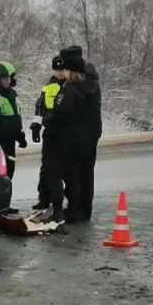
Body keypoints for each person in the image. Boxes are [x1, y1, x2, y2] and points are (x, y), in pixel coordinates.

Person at [41, 57, 91, 223]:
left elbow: (59, 116)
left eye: (65, 69)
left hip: (61, 140)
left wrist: (48, 128)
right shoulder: (87, 88)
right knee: (72, 176)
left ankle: (57, 212)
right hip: (78, 140)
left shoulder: (67, 90)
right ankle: (73, 210)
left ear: (70, 71)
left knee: (54, 174)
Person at [60, 45, 101, 221]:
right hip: (91, 132)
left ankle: (74, 209)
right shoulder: (92, 81)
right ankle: (85, 208)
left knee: (73, 172)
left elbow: (64, 113)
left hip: (75, 134)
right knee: (86, 171)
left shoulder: (72, 86)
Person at [30, 57, 64, 210]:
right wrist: (36, 126)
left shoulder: (70, 86)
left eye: (62, 70)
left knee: (63, 168)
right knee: (46, 166)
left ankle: (61, 201)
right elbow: (40, 108)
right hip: (50, 130)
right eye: (57, 70)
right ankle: (44, 198)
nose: (60, 73)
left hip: (64, 131)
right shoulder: (48, 87)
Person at [0, 61, 27, 179]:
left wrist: (20, 137)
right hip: (0, 141)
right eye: (4, 78)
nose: (7, 81)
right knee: (2, 174)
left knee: (10, 172)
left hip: (11, 140)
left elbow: (16, 119)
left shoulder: (13, 95)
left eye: (9, 78)